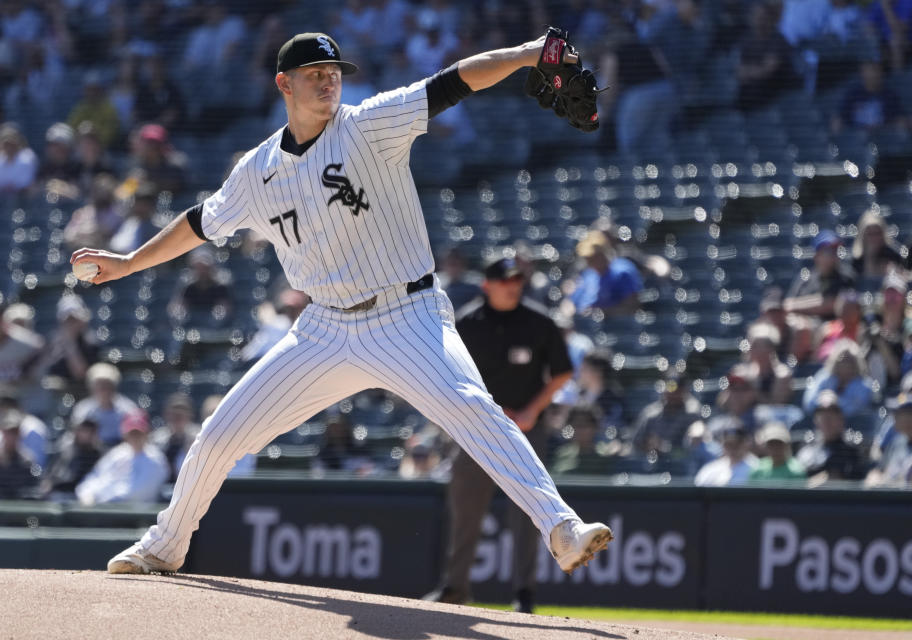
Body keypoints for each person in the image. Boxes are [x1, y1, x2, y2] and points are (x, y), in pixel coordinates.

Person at [72, 31, 613, 577]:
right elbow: (200, 222)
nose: (329, 79)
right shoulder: (256, 172)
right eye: (315, 73)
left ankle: (563, 529)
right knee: (218, 435)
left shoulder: (369, 125)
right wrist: (129, 262)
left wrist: (526, 54)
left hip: (407, 316)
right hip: (324, 330)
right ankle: (166, 544)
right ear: (284, 83)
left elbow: (456, 80)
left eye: (334, 71)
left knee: (474, 409)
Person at [426, 256, 573, 613]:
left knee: (527, 512)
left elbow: (562, 372)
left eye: (517, 280)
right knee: (466, 511)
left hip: (525, 430)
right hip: (476, 430)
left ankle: (524, 593)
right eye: (505, 280)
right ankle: (455, 587)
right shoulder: (467, 323)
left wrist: (531, 411)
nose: (513, 285)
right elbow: (445, 372)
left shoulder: (539, 322)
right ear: (487, 285)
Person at [75, 410, 169, 505]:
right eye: (132, 433)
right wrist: (87, 494)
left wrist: (102, 499)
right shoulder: (118, 454)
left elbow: (137, 493)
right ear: (125, 434)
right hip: (106, 509)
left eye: (138, 433)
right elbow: (94, 477)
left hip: (137, 516)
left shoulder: (156, 460)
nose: (135, 437)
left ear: (146, 433)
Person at [784, 230, 856, 320]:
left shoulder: (846, 277)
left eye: (835, 251)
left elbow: (833, 303)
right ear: (817, 255)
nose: (833, 255)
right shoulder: (806, 279)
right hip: (807, 327)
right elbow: (787, 305)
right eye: (828, 251)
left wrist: (796, 306)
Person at [570, 230, 642, 317]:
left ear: (603, 253)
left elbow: (632, 307)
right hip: (585, 325)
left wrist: (601, 313)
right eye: (588, 259)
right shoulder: (589, 275)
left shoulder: (622, 271)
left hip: (613, 326)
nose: (590, 262)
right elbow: (571, 303)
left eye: (593, 258)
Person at [797, 390, 865, 481]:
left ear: (841, 419)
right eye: (822, 414)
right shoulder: (808, 446)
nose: (827, 420)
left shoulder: (851, 449)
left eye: (832, 414)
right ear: (816, 420)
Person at [69, 362, 139, 448]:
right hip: (92, 453)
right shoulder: (83, 409)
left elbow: (137, 435)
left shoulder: (128, 408)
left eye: (108, 386)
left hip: (122, 451)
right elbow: (77, 436)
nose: (104, 391)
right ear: (92, 388)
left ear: (114, 387)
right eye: (99, 386)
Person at [631, 371, 702, 455]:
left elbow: (694, 445)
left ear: (684, 390)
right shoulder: (650, 414)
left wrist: (664, 447)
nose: (672, 393)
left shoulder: (692, 412)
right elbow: (635, 443)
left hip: (684, 462)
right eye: (670, 388)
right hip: (653, 463)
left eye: (677, 390)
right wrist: (648, 445)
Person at [803, 339, 876, 418]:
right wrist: (824, 401)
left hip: (853, 427)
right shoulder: (824, 377)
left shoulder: (864, 384)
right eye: (841, 360)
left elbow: (858, 409)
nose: (845, 364)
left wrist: (835, 402)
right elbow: (809, 403)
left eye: (849, 360)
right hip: (821, 425)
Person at [40, 418, 102, 499]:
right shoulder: (66, 451)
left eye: (90, 430)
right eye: (83, 430)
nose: (86, 434)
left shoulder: (99, 455)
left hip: (87, 496)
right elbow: (55, 476)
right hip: (62, 494)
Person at [150, 393, 200, 483]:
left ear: (190, 415)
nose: (178, 417)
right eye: (175, 413)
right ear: (167, 415)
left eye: (182, 413)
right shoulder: (157, 439)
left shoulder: (198, 437)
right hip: (161, 486)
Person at [865, 392, 912, 488]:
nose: (894, 417)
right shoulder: (897, 442)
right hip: (891, 499)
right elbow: (878, 471)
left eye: (900, 413)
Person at [694, 418, 757, 487]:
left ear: (746, 443)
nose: (733, 448)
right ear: (722, 444)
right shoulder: (711, 470)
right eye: (728, 444)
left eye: (737, 444)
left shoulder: (756, 468)